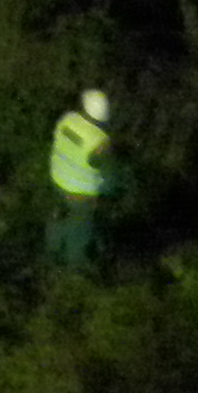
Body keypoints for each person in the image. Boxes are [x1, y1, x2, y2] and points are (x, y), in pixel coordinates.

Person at [46, 87, 119, 272]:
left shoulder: (67, 120)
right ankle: (73, 272)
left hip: (59, 180)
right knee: (79, 232)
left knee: (60, 218)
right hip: (82, 194)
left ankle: (51, 251)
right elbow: (106, 168)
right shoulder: (100, 142)